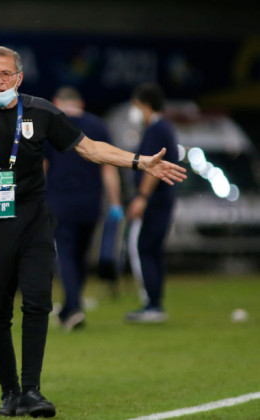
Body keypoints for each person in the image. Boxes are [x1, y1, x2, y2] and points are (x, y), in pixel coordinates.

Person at [0, 46, 186, 418]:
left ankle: (32, 391)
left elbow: (90, 149)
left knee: (38, 299)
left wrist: (139, 161)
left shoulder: (42, 111)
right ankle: (9, 393)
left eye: (4, 74)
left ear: (19, 77)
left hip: (34, 217)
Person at [44, 86, 122, 331]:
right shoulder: (98, 126)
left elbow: (43, 167)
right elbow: (109, 167)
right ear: (82, 104)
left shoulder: (51, 125)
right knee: (79, 256)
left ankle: (74, 308)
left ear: (57, 102)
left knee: (65, 255)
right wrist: (116, 203)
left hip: (60, 202)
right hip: (91, 203)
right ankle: (69, 309)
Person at [125, 83, 179, 324]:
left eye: (136, 105)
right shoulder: (162, 128)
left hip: (155, 201)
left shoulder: (157, 129)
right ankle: (154, 302)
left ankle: (153, 304)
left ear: (145, 105)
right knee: (153, 249)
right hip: (161, 200)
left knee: (145, 248)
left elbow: (152, 167)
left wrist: (142, 198)